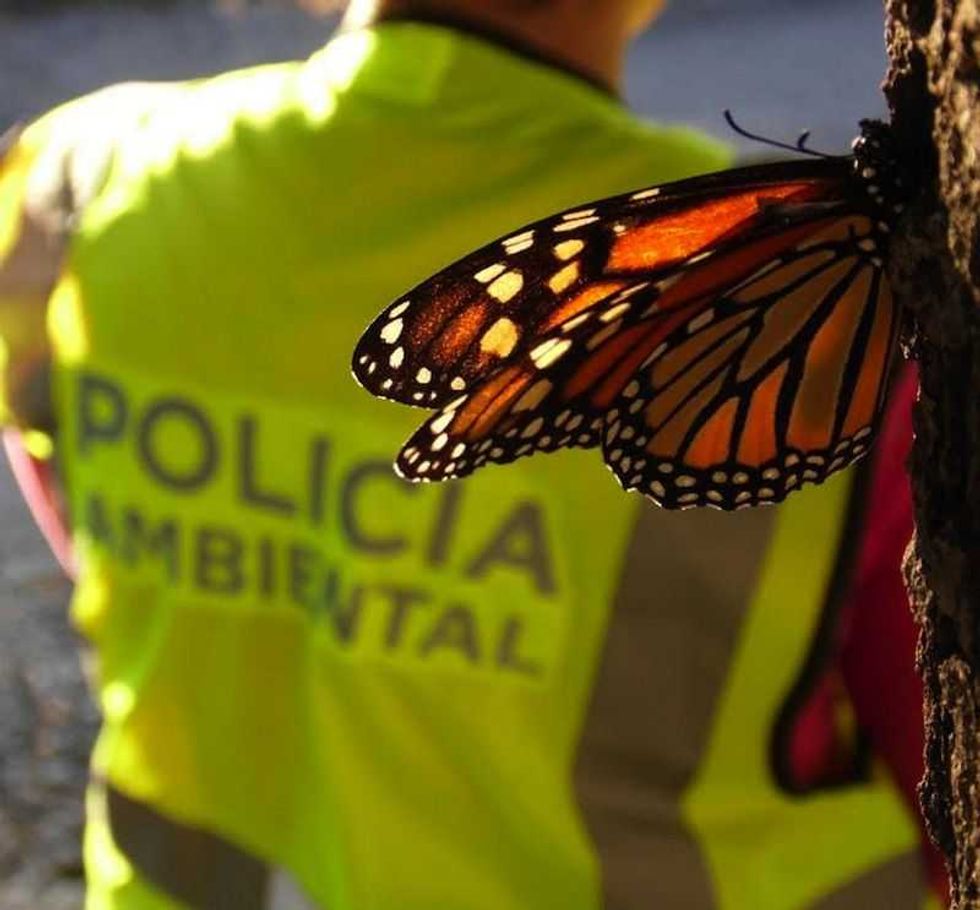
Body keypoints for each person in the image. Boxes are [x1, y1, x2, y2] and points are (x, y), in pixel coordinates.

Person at [0, 1, 944, 907]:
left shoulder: (75, 179)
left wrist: (285, 563)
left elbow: (68, 486)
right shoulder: (849, 339)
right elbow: (944, 760)